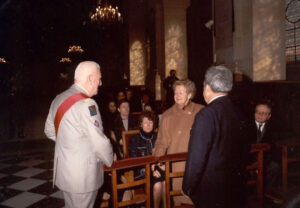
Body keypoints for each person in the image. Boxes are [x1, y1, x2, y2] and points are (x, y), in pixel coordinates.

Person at [44, 61, 113, 208]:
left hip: (66, 172)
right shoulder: (88, 104)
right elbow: (99, 142)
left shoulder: (58, 98)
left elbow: (49, 131)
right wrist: (110, 161)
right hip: (83, 177)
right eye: (99, 79)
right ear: (89, 79)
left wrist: (70, 143)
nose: (100, 83)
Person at [182, 65, 247, 208]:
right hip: (234, 185)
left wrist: (187, 187)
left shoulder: (206, 115)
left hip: (211, 189)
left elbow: (196, 157)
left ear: (207, 87)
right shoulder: (237, 111)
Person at [153, 79, 204, 206]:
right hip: (175, 166)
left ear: (190, 94)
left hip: (195, 165)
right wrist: (157, 161)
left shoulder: (201, 111)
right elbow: (161, 142)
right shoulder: (167, 115)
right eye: (176, 92)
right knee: (177, 201)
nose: (177, 95)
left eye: (181, 92)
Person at [128, 111, 165, 208]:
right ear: (141, 124)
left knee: (166, 182)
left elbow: (164, 156)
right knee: (157, 185)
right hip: (142, 173)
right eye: (145, 122)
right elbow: (134, 163)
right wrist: (149, 171)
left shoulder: (159, 138)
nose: (148, 125)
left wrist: (161, 166)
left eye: (151, 122)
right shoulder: (134, 140)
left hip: (159, 170)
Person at [247, 101, 281, 189]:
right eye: (258, 112)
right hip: (248, 159)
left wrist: (262, 163)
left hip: (265, 159)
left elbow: (274, 150)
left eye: (264, 113)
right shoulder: (245, 126)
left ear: (269, 116)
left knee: (275, 167)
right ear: (254, 113)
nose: (260, 115)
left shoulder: (274, 129)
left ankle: (268, 192)